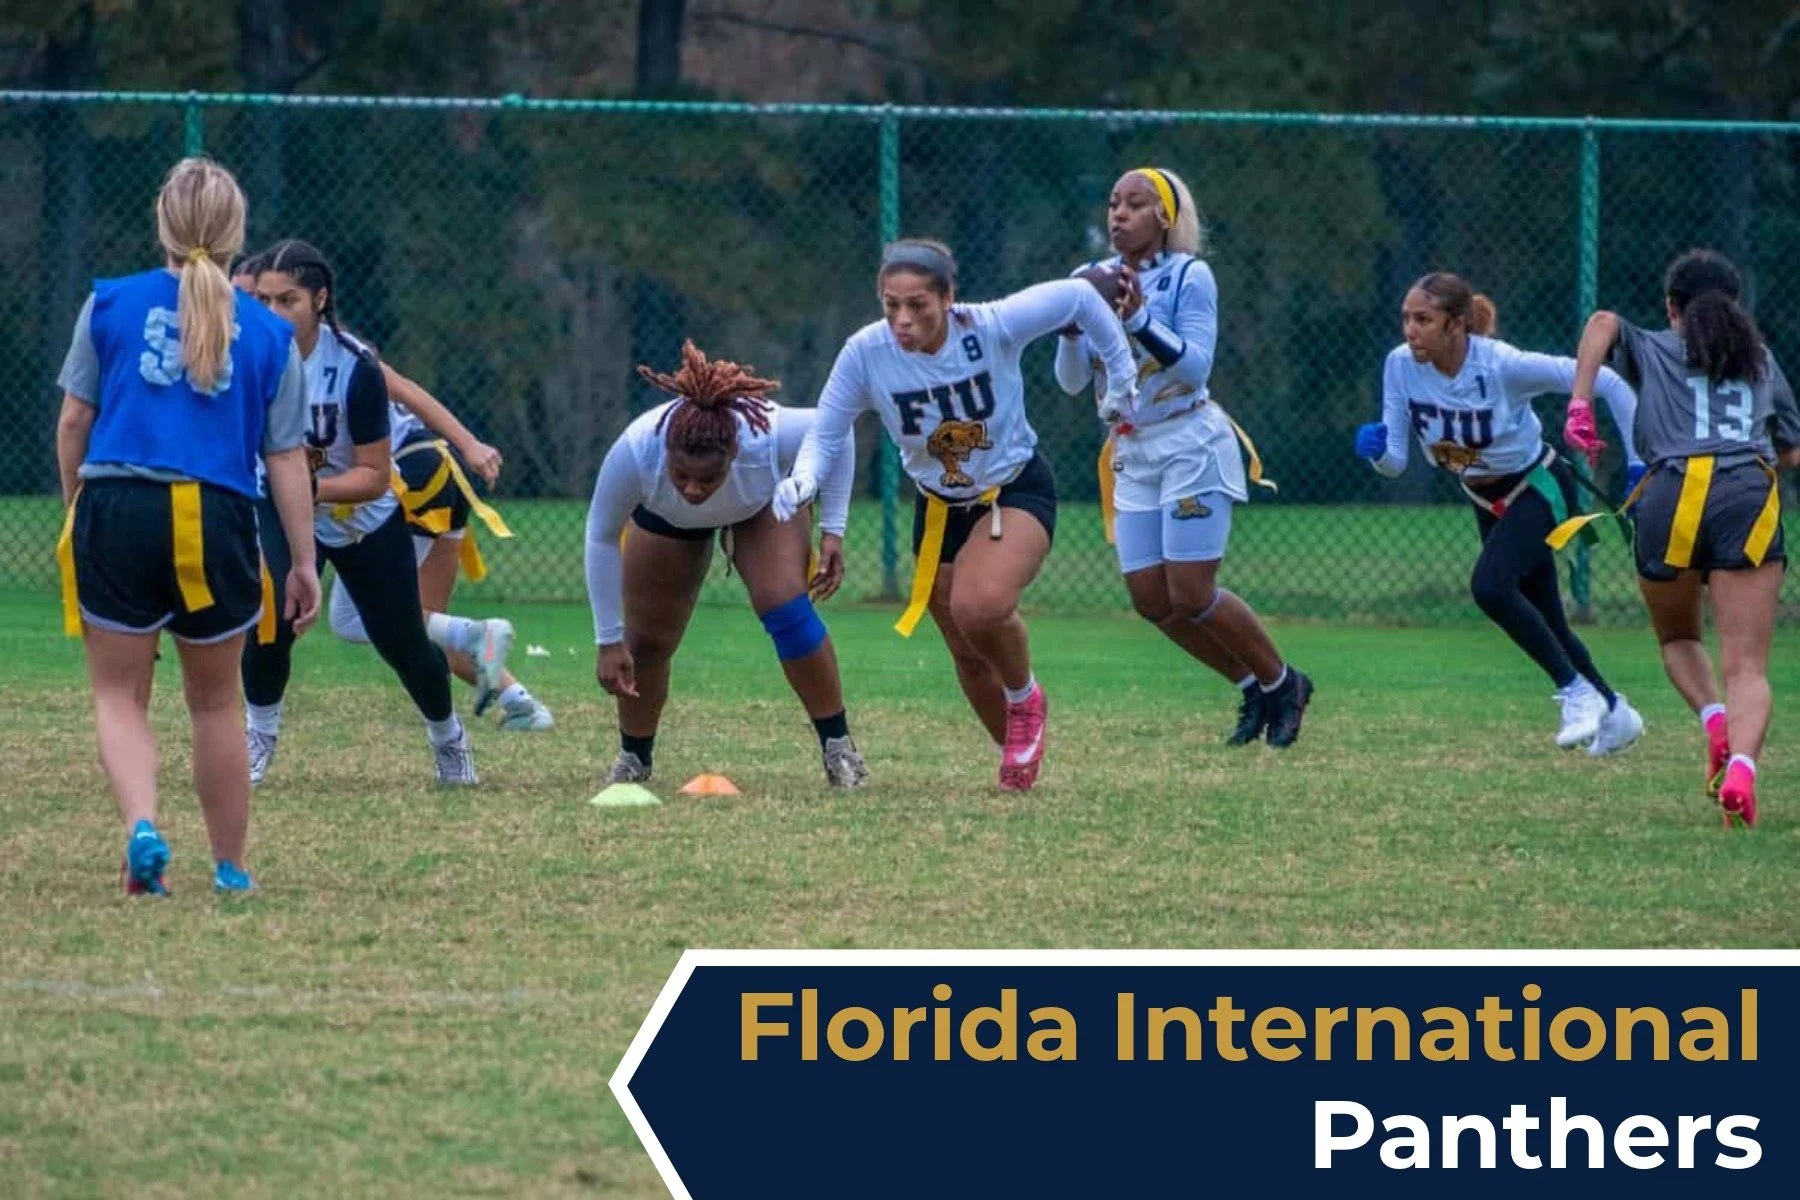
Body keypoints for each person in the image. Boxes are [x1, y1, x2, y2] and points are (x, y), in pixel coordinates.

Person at [775, 239, 1138, 790]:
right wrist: (802, 481)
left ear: (949, 298)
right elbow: (827, 432)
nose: (902, 319)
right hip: (939, 507)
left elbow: (1079, 300)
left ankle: (1025, 698)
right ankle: (1017, 762)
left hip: (1013, 489)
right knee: (965, 650)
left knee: (980, 605)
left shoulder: (990, 326)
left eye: (918, 304)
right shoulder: (865, 352)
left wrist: (1122, 376)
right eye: (890, 304)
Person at [53, 157, 319, 895]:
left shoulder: (108, 303)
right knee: (215, 702)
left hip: (120, 506)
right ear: (238, 234)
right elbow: (287, 458)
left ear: (162, 222)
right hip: (217, 514)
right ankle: (231, 869)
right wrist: (302, 561)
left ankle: (143, 831)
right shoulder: (269, 334)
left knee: (118, 696)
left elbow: (75, 420)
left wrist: (78, 506)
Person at [1054, 166, 1312, 748]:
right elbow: (1072, 384)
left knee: (1192, 592)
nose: (1118, 214)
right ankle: (1253, 685)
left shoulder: (1190, 276)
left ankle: (1285, 681)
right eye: (1114, 202)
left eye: (1135, 204)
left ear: (1164, 217)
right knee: (1152, 600)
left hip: (1189, 440)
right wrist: (1070, 331)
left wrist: (1140, 319)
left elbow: (1196, 367)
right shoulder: (1086, 279)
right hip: (1130, 447)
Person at [1355, 272, 1644, 754]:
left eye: (1424, 319)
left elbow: (1609, 382)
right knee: (1548, 618)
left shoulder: (1503, 365)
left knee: (1490, 587)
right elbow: (1396, 464)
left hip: (1540, 486)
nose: (1410, 330)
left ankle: (1575, 693)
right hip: (1483, 498)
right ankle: (1615, 711)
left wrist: (1638, 464)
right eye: (1406, 318)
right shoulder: (1400, 365)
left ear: (1457, 324)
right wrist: (1377, 452)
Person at [1569, 249, 1800, 826]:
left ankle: (1715, 722)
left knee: (1677, 637)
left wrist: (1579, 401)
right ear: (1736, 306)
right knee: (1746, 665)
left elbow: (1601, 322)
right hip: (1746, 491)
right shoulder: (1763, 360)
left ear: (1672, 307)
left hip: (1669, 492)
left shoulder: (1652, 344)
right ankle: (1743, 766)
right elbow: (1791, 449)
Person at [241, 239, 479, 785]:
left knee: (401, 639)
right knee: (270, 614)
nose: (274, 314)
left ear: (320, 299)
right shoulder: (247, 357)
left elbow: (374, 476)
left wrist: (312, 489)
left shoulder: (354, 368)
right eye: (266, 301)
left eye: (289, 301)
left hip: (357, 515)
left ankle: (449, 738)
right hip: (279, 504)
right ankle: (258, 734)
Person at [584, 341, 866, 787]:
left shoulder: (767, 435)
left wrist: (834, 529)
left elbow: (838, 431)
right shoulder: (638, 450)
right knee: (646, 643)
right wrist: (607, 640)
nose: (694, 489)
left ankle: (839, 749)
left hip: (758, 507)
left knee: (786, 608)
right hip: (665, 520)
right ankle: (634, 758)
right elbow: (600, 536)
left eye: (707, 478)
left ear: (733, 454)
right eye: (682, 476)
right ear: (667, 454)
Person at [326, 367, 553, 730]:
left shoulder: (332, 351)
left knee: (352, 619)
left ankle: (481, 637)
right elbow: (411, 391)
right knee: (431, 622)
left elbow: (406, 392)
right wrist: (469, 444)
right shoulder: (333, 349)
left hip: (407, 477)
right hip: (441, 468)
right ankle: (521, 704)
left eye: (284, 303)